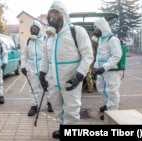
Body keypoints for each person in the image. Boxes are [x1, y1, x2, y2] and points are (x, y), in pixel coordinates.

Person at [39, 0, 94, 139]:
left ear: (63, 15)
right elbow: (45, 57)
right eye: (50, 15)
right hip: (53, 80)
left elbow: (88, 55)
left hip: (71, 78)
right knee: (58, 107)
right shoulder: (49, 37)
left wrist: (79, 75)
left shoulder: (76, 32)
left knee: (71, 109)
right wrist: (42, 74)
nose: (53, 19)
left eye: (56, 15)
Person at [92, 17, 122, 120]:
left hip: (111, 71)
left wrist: (104, 67)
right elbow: (99, 56)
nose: (96, 31)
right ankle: (108, 105)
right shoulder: (101, 40)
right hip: (102, 71)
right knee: (101, 89)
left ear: (102, 28)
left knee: (111, 91)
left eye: (97, 28)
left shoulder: (112, 39)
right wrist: (95, 70)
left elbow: (117, 56)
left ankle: (112, 114)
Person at [21, 20, 53, 116]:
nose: (33, 30)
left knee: (47, 86)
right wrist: (23, 66)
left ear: (39, 30)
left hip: (43, 67)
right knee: (33, 88)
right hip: (32, 68)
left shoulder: (45, 39)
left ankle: (50, 103)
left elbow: (49, 54)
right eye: (32, 28)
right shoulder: (28, 41)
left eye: (35, 28)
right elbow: (24, 55)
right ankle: (34, 106)